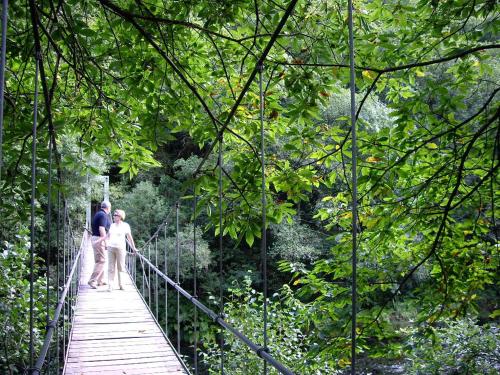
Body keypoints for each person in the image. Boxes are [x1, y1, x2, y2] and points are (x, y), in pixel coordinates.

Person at [107, 209, 137, 291]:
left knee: (121, 267)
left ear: (120, 217)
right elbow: (108, 235)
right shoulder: (112, 225)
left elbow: (129, 238)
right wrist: (104, 243)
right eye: (114, 215)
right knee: (111, 267)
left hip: (120, 248)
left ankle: (121, 284)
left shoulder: (125, 225)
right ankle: (110, 285)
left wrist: (133, 248)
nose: (113, 216)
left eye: (115, 215)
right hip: (111, 247)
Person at [88, 200, 112, 289]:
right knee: (101, 261)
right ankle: (92, 280)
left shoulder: (99, 213)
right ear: (108, 207)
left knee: (99, 260)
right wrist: (105, 242)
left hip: (96, 238)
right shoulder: (103, 215)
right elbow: (102, 229)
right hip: (99, 239)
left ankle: (100, 280)